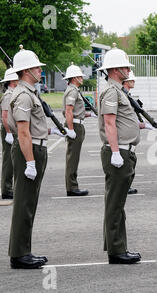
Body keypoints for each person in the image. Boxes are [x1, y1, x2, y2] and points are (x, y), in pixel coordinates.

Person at [8, 45, 66, 269]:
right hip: (28, 151)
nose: (40, 71)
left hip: (35, 147)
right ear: (26, 71)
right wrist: (30, 161)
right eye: (35, 67)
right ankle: (19, 254)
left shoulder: (30, 93)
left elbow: (32, 126)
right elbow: (23, 131)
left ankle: (24, 250)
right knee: (24, 203)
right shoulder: (23, 95)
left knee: (29, 202)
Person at [97, 45, 142, 264]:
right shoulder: (112, 91)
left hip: (124, 150)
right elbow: (109, 122)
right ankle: (117, 251)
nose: (127, 69)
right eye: (124, 66)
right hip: (119, 152)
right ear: (115, 69)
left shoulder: (117, 90)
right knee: (115, 204)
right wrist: (115, 152)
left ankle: (116, 246)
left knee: (117, 203)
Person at [62, 63, 91, 196]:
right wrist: (71, 129)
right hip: (75, 125)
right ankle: (72, 187)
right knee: (72, 158)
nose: (82, 78)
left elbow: (76, 110)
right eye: (80, 76)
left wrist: (90, 114)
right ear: (74, 78)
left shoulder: (73, 90)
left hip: (77, 123)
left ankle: (72, 185)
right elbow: (69, 110)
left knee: (74, 157)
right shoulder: (72, 91)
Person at [0, 68, 19, 199]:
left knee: (13, 160)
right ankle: (6, 189)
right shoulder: (8, 96)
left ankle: (10, 187)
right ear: (12, 80)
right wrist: (8, 133)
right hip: (9, 130)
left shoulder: (13, 93)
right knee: (9, 161)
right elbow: (5, 116)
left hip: (13, 129)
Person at [121, 70, 140, 195]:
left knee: (132, 161)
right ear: (126, 82)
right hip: (124, 137)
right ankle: (125, 185)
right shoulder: (123, 95)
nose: (134, 81)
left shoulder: (127, 95)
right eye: (131, 80)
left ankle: (127, 185)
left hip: (131, 136)